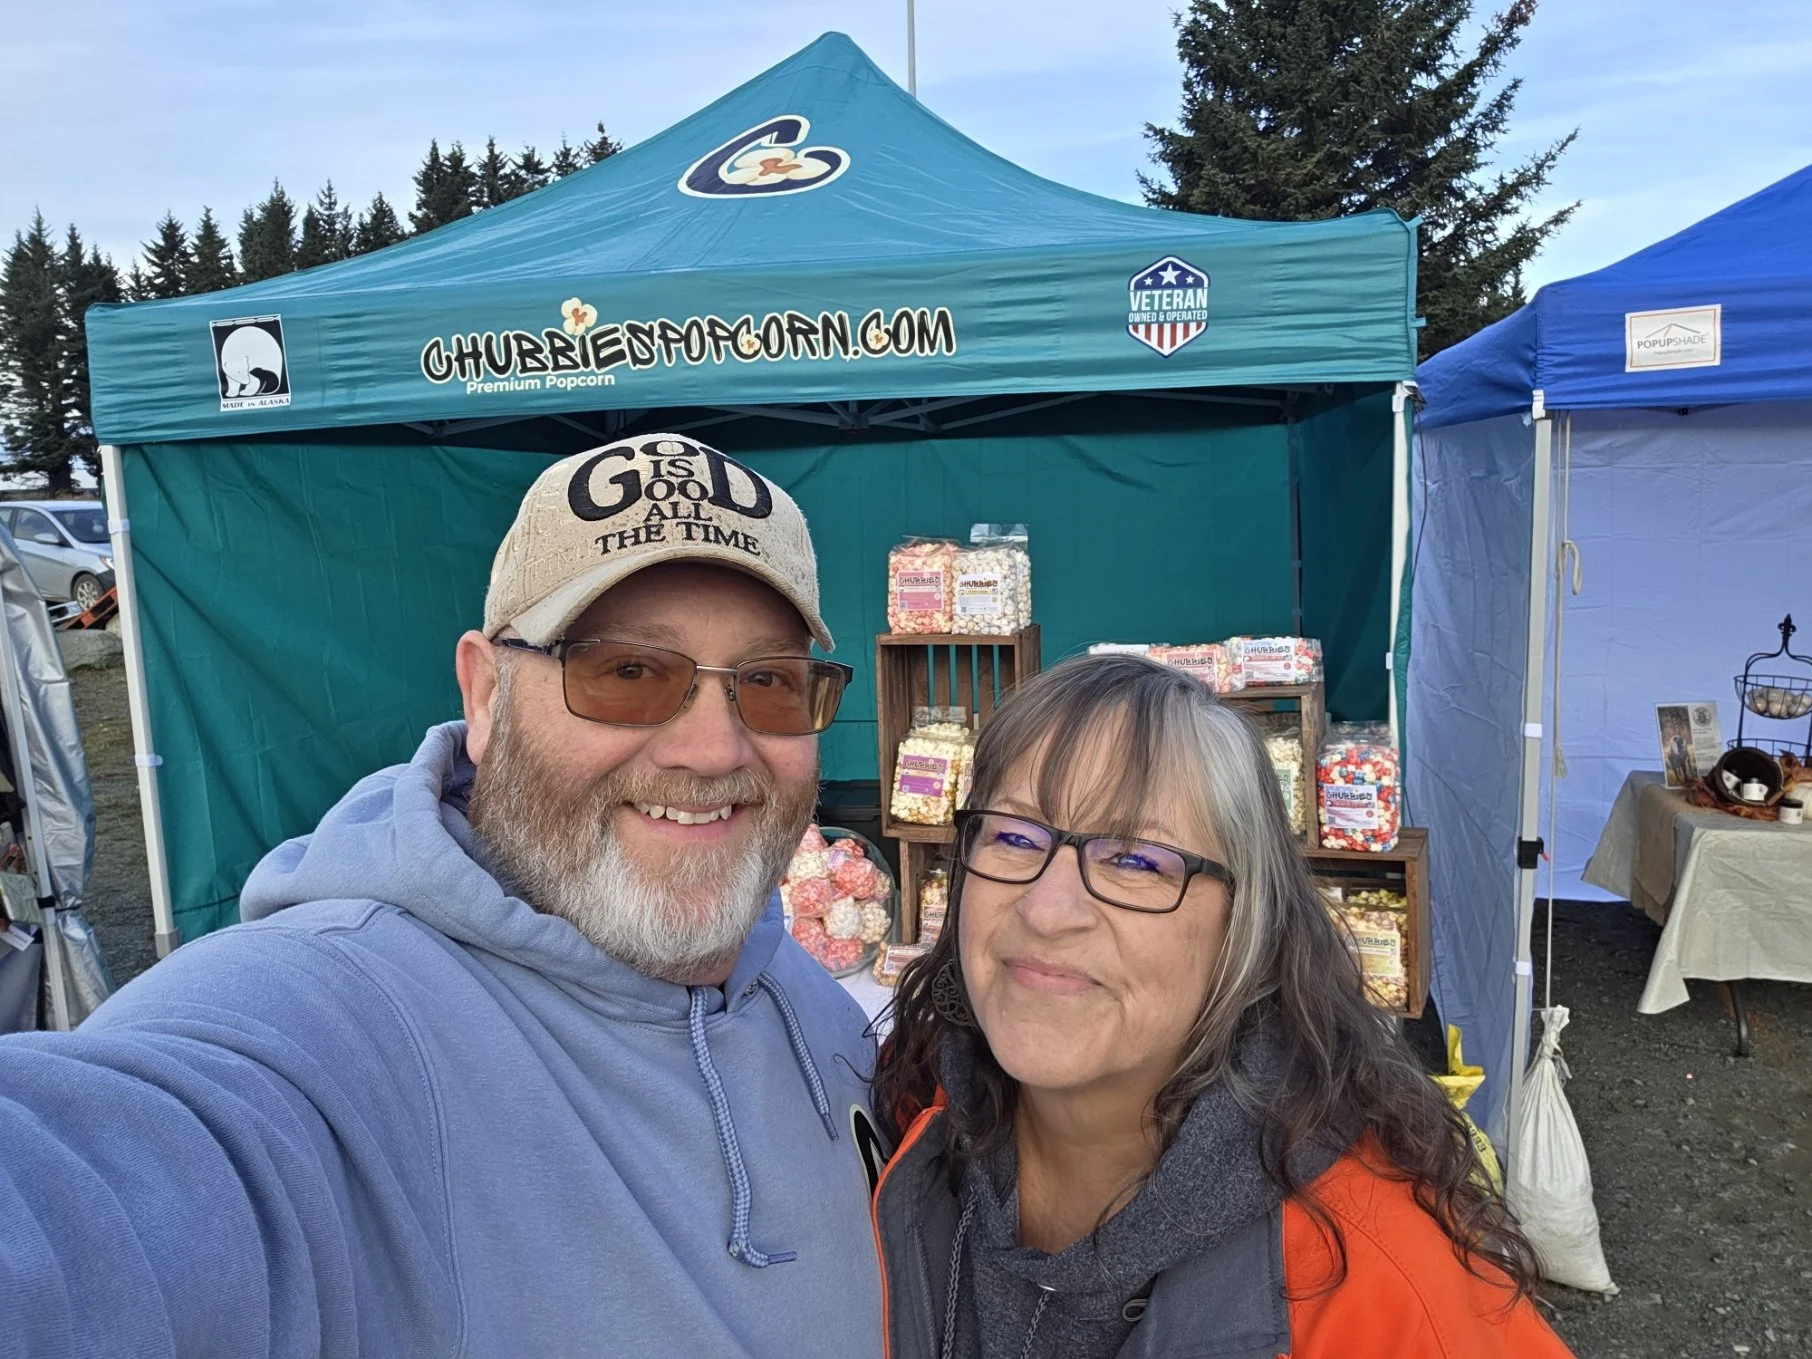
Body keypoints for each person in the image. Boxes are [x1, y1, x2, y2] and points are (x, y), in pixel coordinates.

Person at [0, 436, 884, 1358]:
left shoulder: (801, 984)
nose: (714, 749)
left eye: (770, 682)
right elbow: (94, 1197)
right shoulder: (329, 1025)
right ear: (488, 694)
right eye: (627, 671)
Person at [872, 654, 1574, 1359]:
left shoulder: (1388, 1286)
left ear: (1246, 927)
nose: (1047, 908)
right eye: (1015, 837)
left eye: (1136, 859)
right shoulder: (902, 1122)